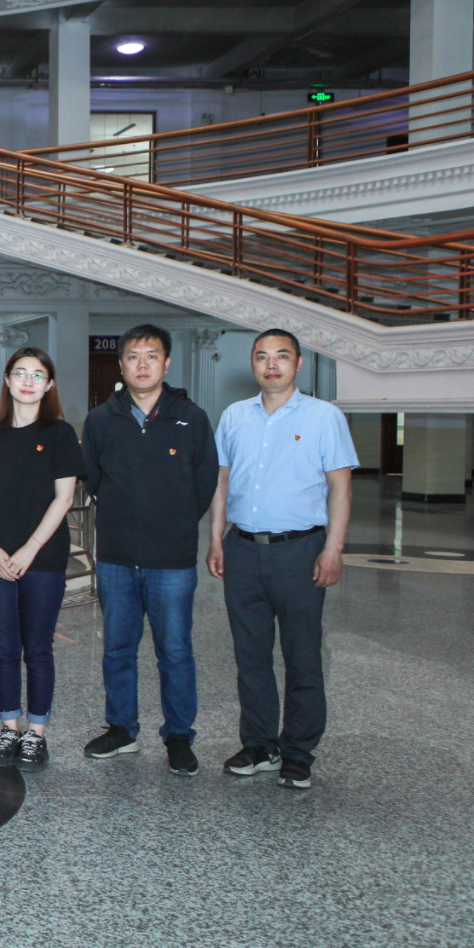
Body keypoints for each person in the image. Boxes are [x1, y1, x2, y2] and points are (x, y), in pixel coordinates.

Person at [209, 329, 358, 790]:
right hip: (242, 548)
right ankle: (260, 744)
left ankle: (297, 751)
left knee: (302, 654)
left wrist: (333, 549)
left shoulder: (324, 417)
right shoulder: (234, 416)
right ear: (253, 364)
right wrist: (215, 539)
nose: (271, 365)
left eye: (281, 356)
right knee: (250, 655)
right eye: (261, 357)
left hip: (300, 551)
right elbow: (221, 481)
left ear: (298, 364)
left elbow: (340, 488)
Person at [80, 325, 218, 776]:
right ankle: (122, 729)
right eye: (133, 356)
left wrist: (175, 520)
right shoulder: (101, 420)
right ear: (121, 364)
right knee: (117, 648)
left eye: (152, 355)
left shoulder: (191, 417)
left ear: (167, 363)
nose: (142, 364)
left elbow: (205, 481)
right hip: (117, 557)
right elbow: (93, 479)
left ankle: (178, 735)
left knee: (175, 650)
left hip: (171, 560)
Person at [0, 347, 85, 773]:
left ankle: (36, 733)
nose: (28, 381)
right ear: (6, 379)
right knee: (4, 647)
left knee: (37, 647)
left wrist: (29, 548)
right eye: (20, 373)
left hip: (43, 558)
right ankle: (9, 728)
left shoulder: (59, 434)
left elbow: (64, 498)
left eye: (38, 375)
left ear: (49, 384)